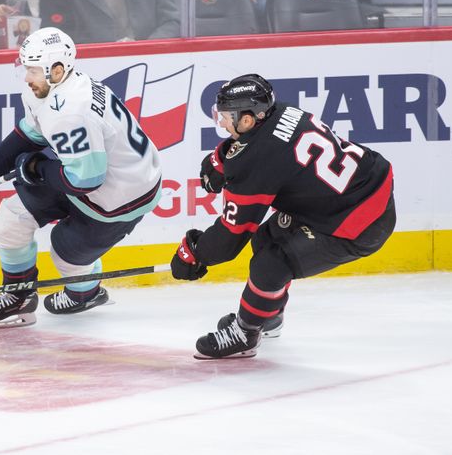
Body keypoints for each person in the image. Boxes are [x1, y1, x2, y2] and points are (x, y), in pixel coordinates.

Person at [169, 74, 395, 359]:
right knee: (267, 238)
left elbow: (232, 235)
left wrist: (196, 253)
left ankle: (246, 332)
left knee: (272, 263)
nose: (223, 123)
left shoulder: (258, 163)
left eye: (227, 117)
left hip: (358, 222)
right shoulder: (283, 110)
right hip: (361, 189)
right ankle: (268, 316)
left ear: (249, 120)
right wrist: (224, 157)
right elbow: (265, 146)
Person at [0, 26, 162, 329]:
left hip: (122, 195)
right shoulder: (53, 87)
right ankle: (19, 297)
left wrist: (37, 169)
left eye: (33, 70)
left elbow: (85, 181)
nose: (27, 77)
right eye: (24, 68)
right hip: (89, 171)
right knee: (10, 219)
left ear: (56, 69)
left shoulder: (71, 110)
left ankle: (86, 293)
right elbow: (32, 133)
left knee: (65, 251)